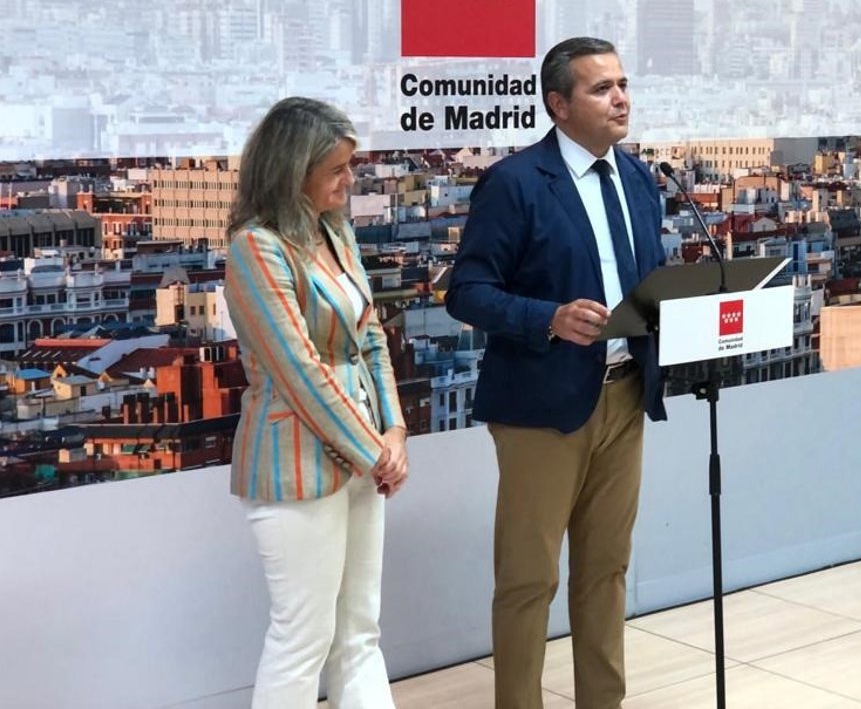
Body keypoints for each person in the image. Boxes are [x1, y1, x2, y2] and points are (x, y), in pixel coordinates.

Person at [446, 37, 667, 709]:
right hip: (542, 407)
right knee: (529, 578)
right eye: (602, 88)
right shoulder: (515, 183)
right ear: (559, 105)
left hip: (624, 395)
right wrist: (548, 317)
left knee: (607, 569)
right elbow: (467, 292)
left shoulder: (638, 179)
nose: (621, 98)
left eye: (623, 84)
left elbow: (650, 280)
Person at [225, 97, 408, 709]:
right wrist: (371, 450)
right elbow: (299, 370)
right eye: (336, 169)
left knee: (360, 631)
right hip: (295, 466)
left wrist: (394, 431)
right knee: (302, 638)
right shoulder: (256, 247)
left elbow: (370, 337)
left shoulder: (336, 230)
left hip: (364, 457)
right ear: (291, 170)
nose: (350, 180)